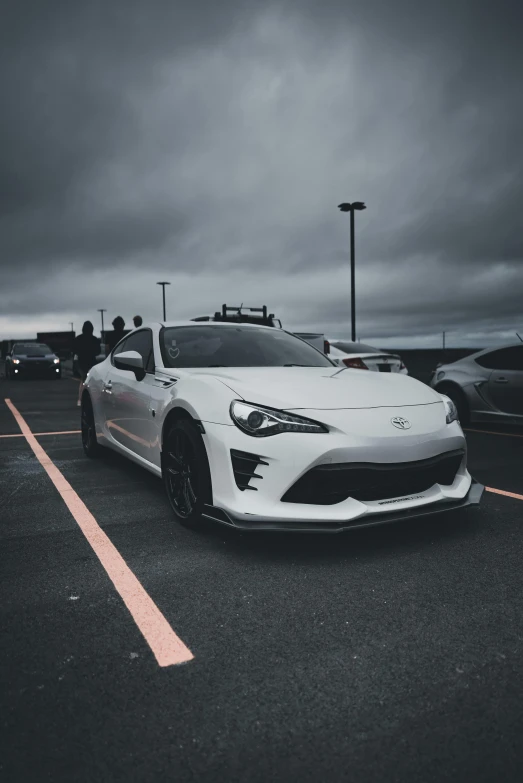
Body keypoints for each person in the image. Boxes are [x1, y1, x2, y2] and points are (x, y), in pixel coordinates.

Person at [74, 321, 101, 407]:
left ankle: (80, 399)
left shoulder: (78, 339)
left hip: (81, 362)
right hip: (91, 362)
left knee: (83, 380)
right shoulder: (94, 340)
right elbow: (98, 351)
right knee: (92, 381)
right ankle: (93, 399)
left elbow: (74, 350)